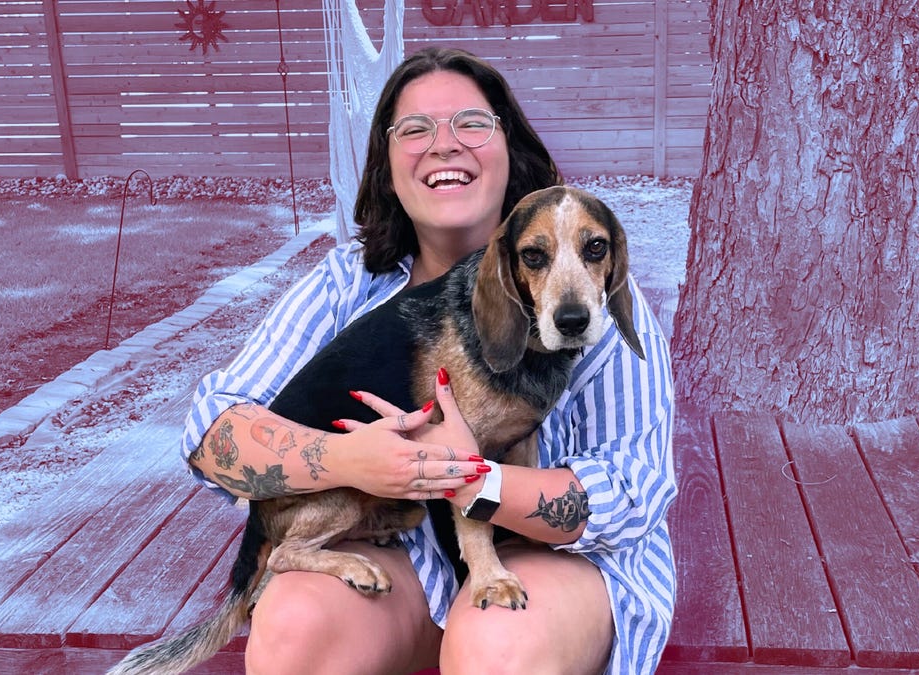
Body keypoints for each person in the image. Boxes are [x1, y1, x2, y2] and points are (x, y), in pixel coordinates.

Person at [180, 46, 676, 675]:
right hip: (395, 544)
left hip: (557, 556)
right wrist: (350, 460)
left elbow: (634, 492)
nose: (444, 144)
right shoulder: (346, 284)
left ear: (511, 152)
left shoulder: (585, 310)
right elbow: (211, 429)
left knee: (497, 643)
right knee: (294, 629)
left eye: (471, 123)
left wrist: (476, 480)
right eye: (415, 129)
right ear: (388, 169)